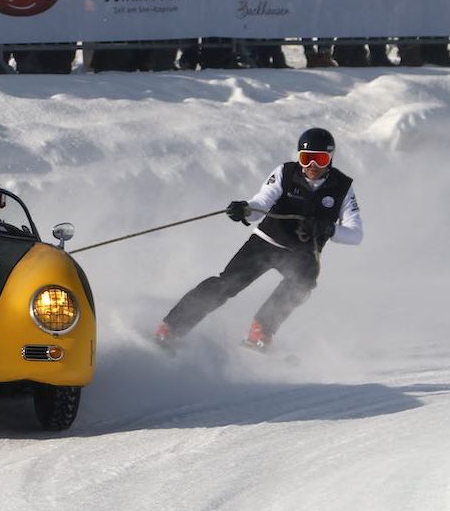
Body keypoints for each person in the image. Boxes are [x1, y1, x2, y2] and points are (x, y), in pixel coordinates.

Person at [155, 127, 363, 350]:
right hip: (267, 242)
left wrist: (329, 229)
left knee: (301, 284)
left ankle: (261, 332)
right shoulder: (285, 172)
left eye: (320, 159)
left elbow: (356, 234)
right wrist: (244, 209)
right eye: (307, 158)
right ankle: (170, 328)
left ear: (329, 159)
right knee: (227, 284)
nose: (312, 165)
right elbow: (260, 204)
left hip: (302, 253)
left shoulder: (341, 187)